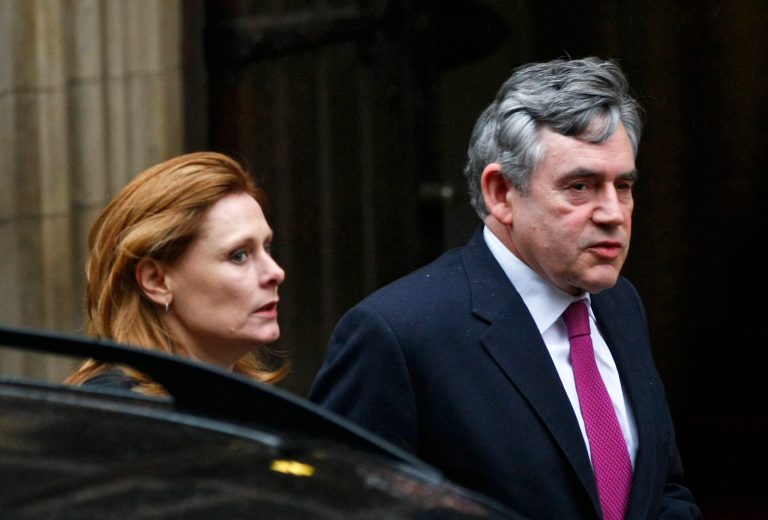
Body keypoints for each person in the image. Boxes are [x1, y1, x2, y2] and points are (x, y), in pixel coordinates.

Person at [308, 57, 701, 519]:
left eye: (624, 186)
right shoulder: (397, 335)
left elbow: (663, 492)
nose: (613, 213)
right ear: (499, 193)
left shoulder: (619, 304)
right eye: (580, 186)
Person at [65, 151, 287, 395]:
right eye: (239, 255)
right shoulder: (115, 412)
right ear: (156, 281)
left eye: (266, 248)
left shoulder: (250, 403)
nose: (276, 273)